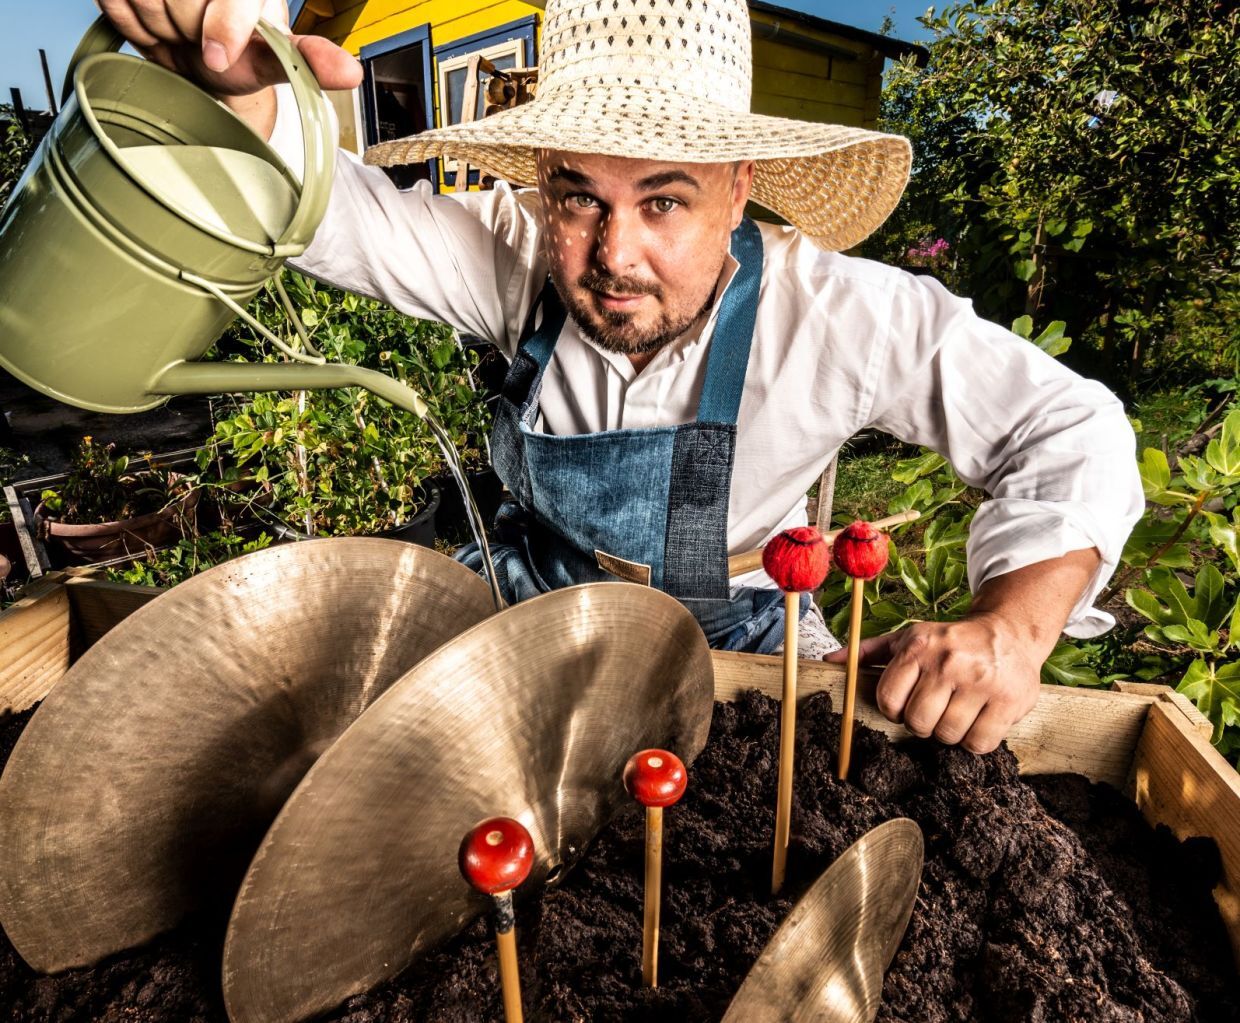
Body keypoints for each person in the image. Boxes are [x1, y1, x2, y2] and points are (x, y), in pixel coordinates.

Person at [94, 0, 1143, 754]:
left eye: (664, 201)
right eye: (578, 197)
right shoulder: (510, 256)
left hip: (733, 637)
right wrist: (230, 90)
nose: (612, 255)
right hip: (524, 595)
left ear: (740, 192)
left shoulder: (847, 316)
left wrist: (1011, 628)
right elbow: (326, 209)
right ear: (541, 184)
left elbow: (1070, 429)